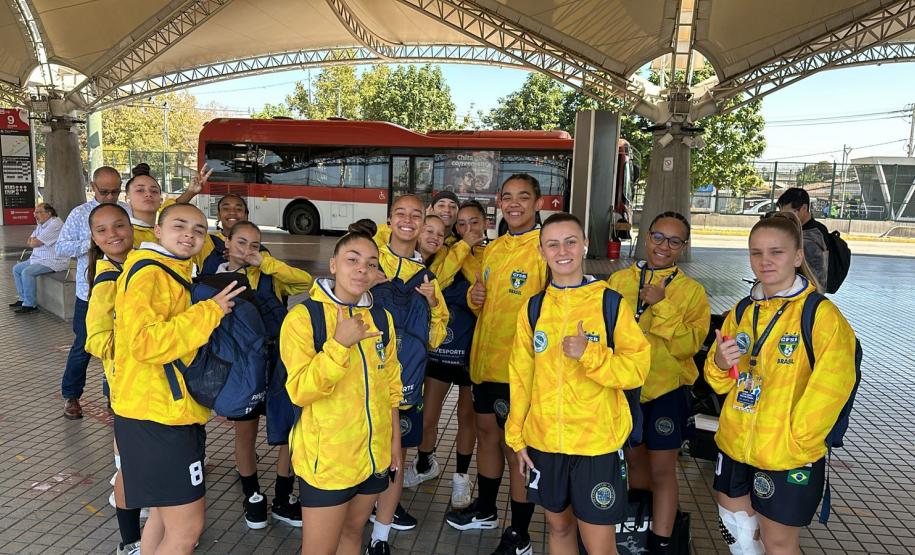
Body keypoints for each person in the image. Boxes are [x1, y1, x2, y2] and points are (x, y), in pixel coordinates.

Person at [706, 211, 857, 555]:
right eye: (756, 252)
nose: (765, 261)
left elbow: (833, 387)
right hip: (735, 445)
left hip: (787, 454)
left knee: (777, 543)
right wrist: (718, 363)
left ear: (798, 256)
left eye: (776, 252)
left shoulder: (820, 315)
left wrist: (796, 441)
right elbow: (718, 383)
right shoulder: (743, 310)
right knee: (738, 534)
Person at [508, 212, 650, 554]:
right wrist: (517, 436)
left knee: (599, 544)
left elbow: (636, 370)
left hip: (595, 445)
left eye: (571, 241)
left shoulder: (610, 302)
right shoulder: (534, 307)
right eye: (552, 244)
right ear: (542, 252)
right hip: (545, 441)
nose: (562, 251)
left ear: (585, 244)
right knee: (558, 528)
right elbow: (520, 376)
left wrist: (591, 354)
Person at [112, 203, 245, 554]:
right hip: (156, 416)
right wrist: (210, 311)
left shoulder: (175, 270)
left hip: (162, 412)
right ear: (157, 231)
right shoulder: (149, 273)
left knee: (163, 517)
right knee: (187, 530)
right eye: (180, 225)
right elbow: (146, 342)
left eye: (200, 230)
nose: (190, 233)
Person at [445, 174, 548, 555]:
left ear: (538, 202)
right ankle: (486, 508)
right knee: (488, 436)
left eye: (524, 196)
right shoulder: (495, 249)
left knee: (514, 448)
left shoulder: (545, 248)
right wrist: (475, 297)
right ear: (499, 203)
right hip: (484, 364)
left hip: (519, 371)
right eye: (508, 197)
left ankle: (520, 534)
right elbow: (485, 304)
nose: (515, 203)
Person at [281, 230, 402, 555]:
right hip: (329, 462)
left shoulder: (381, 318)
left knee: (352, 535)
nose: (362, 269)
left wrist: (394, 444)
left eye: (371, 263)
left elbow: (391, 385)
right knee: (319, 548)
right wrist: (338, 345)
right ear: (333, 265)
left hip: (373, 456)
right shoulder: (303, 318)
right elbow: (300, 391)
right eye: (352, 260)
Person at [607, 211, 710, 554]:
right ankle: (640, 530)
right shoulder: (619, 281)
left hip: (667, 390)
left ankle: (663, 543)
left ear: (684, 246)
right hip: (626, 388)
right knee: (634, 463)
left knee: (663, 469)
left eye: (675, 240)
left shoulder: (693, 293)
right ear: (645, 237)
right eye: (658, 237)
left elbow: (689, 347)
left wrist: (662, 307)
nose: (664, 246)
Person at [214, 220, 313, 529]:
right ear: (226, 243)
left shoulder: (270, 274)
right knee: (246, 433)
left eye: (254, 245)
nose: (247, 250)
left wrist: (266, 262)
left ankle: (284, 498)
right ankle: (252, 495)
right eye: (241, 243)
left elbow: (305, 282)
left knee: (289, 430)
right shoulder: (214, 279)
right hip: (243, 369)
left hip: (279, 362)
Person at [365, 195, 448, 555]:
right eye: (401, 213)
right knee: (362, 453)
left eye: (417, 215)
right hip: (362, 382)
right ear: (389, 218)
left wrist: (431, 303)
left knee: (396, 457)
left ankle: (380, 537)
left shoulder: (427, 276)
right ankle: (357, 521)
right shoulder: (368, 257)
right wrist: (367, 284)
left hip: (404, 386)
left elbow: (438, 335)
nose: (408, 220)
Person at [404, 202, 487, 510]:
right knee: (428, 416)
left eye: (473, 222)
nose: (467, 229)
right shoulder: (446, 253)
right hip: (439, 349)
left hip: (471, 352)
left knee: (468, 418)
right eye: (461, 225)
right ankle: (425, 463)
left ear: (485, 223)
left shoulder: (492, 255)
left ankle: (462, 478)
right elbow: (435, 281)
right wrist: (463, 250)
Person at [83, 203, 140, 555]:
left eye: (118, 225)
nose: (113, 235)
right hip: (127, 387)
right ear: (93, 237)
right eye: (102, 230)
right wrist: (138, 342)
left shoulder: (140, 263)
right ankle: (129, 541)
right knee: (128, 468)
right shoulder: (106, 280)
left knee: (140, 464)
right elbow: (95, 340)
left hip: (153, 387)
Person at [56, 166, 129, 419]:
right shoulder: (79, 214)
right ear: (93, 187)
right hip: (90, 294)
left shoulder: (126, 211)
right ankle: (71, 395)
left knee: (120, 347)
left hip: (125, 292)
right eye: (104, 191)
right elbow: (61, 247)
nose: (110, 197)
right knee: (83, 347)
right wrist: (94, 241)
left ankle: (114, 396)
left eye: (115, 191)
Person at [10, 203, 68, 314]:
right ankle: (22, 299)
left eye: (38, 212)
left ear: (49, 213)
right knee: (16, 269)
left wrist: (35, 241)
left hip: (53, 261)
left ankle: (30, 304)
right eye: (35, 212)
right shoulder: (41, 224)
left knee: (27, 272)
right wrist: (35, 241)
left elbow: (35, 242)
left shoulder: (55, 224)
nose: (35, 215)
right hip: (38, 258)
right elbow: (29, 241)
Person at [776, 188, 828, 288]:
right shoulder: (799, 229)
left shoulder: (813, 235)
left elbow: (815, 277)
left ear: (804, 208)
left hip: (805, 295)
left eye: (790, 214)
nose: (786, 218)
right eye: (783, 214)